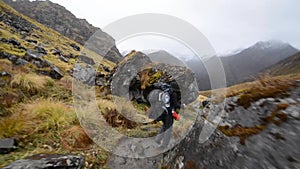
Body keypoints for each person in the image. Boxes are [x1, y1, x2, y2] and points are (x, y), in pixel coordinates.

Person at [148, 81, 181, 149]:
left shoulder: (165, 91)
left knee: (164, 125)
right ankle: (164, 146)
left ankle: (158, 139)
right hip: (168, 113)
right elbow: (175, 104)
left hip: (161, 111)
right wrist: (182, 105)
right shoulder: (173, 93)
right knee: (168, 129)